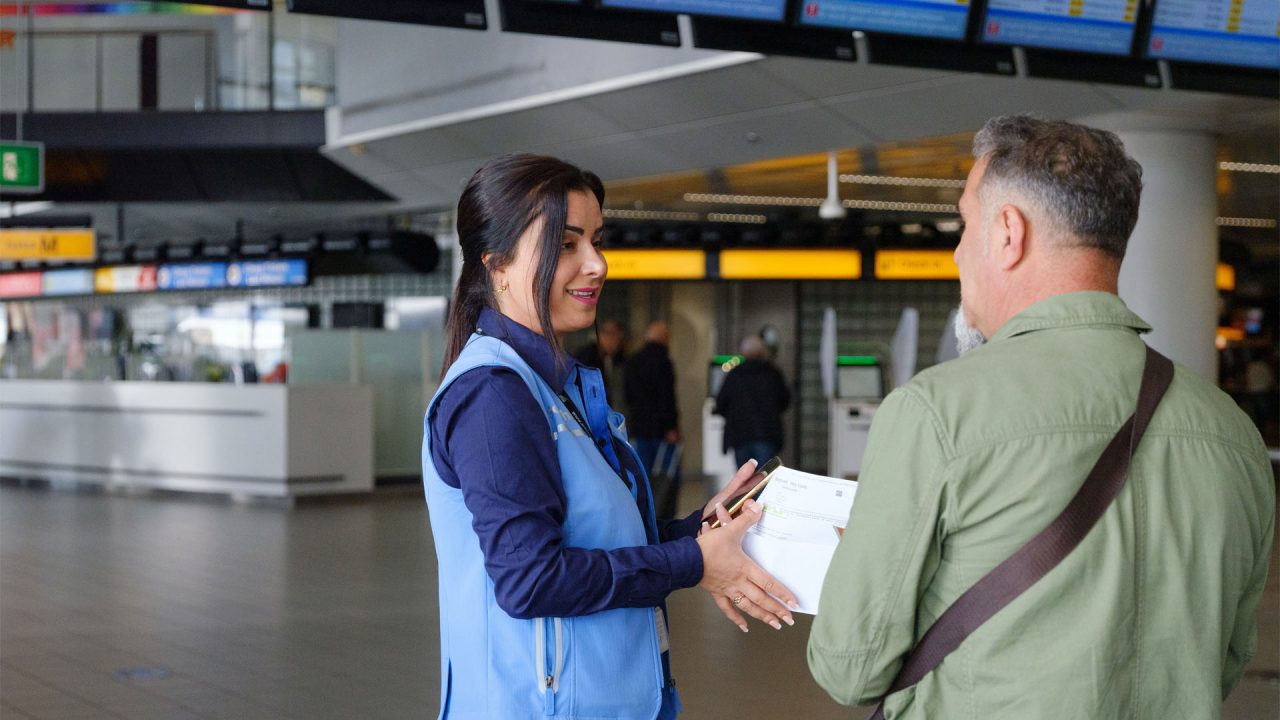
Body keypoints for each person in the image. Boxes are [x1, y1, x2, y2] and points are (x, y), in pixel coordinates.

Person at [808, 116, 1275, 719]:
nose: (955, 250)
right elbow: (1225, 659)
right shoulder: (1232, 432)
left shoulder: (936, 413)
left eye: (964, 222)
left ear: (1007, 232)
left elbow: (849, 667)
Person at [422, 153, 797, 720]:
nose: (596, 264)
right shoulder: (493, 394)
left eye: (597, 240)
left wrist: (700, 530)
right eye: (566, 245)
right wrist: (693, 563)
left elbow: (593, 540)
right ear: (497, 265)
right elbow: (530, 579)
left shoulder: (553, 386)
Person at [713, 334, 791, 468]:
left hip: (740, 435)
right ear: (762, 352)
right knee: (764, 478)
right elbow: (784, 400)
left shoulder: (735, 374)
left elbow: (721, 403)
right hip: (766, 434)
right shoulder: (772, 373)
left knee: (744, 480)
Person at [573, 319, 628, 414]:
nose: (615, 342)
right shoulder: (587, 356)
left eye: (618, 338)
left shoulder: (618, 358)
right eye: (611, 336)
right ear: (601, 336)